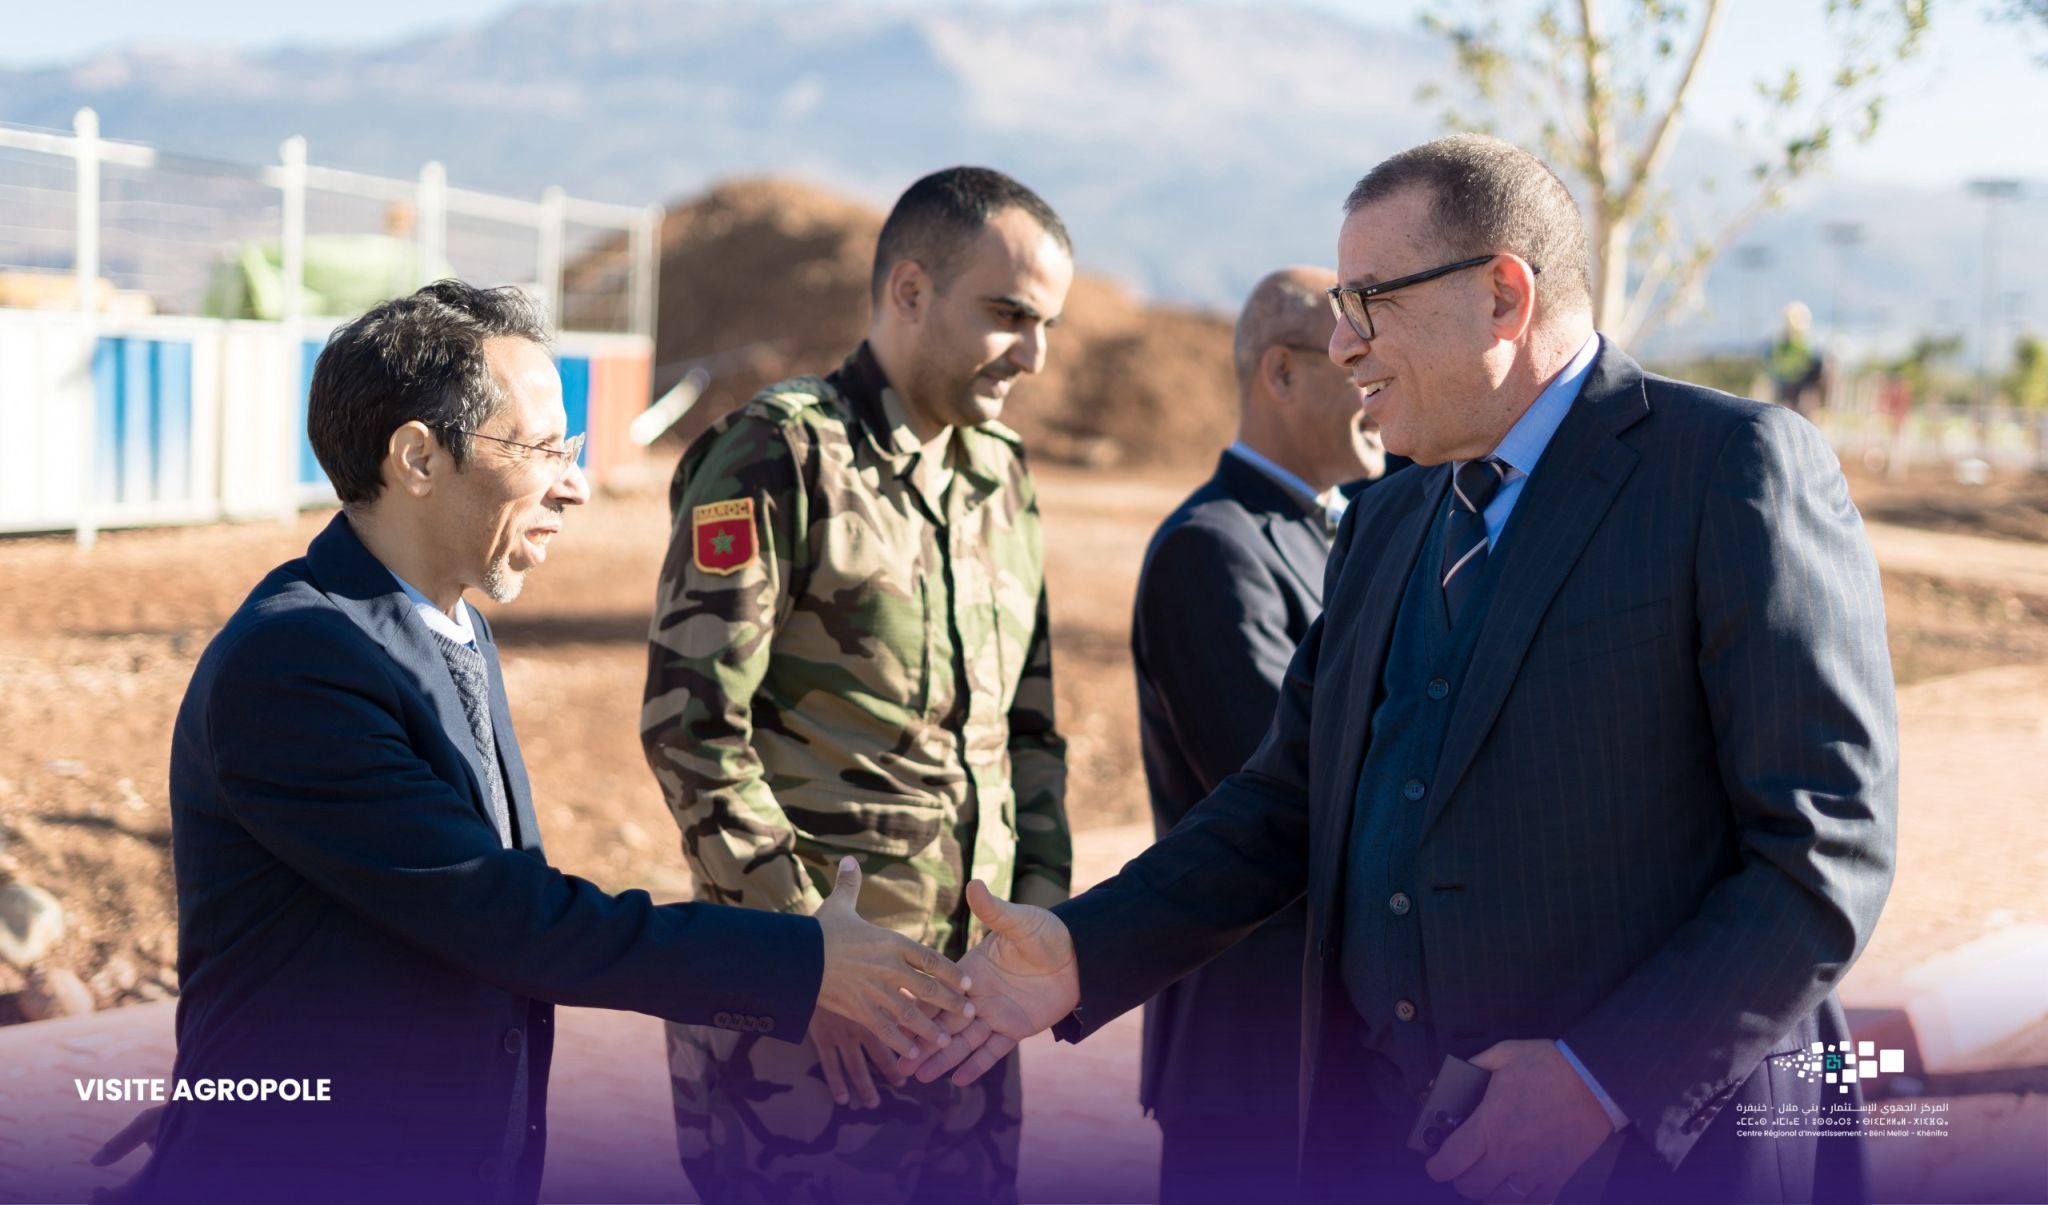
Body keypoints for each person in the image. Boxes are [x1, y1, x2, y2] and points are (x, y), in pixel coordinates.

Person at [907, 135, 1899, 1205]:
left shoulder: (1729, 470)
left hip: (1644, 1164)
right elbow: (1283, 800)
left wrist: (1597, 1079)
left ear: (1502, 295)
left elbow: (1822, 845)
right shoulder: (1387, 516)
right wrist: (1080, 949)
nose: (1341, 344)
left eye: (1369, 301)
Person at [119, 281, 967, 1205]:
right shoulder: (296, 661)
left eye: (573, 448)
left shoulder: (446, 626)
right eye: (538, 448)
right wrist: (801, 963)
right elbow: (508, 917)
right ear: (416, 457)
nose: (574, 482)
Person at [640, 167, 1074, 1205]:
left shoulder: (999, 471)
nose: (1033, 354)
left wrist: (1043, 924)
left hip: (966, 1013)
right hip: (810, 1025)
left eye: (1046, 323)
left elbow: (1029, 725)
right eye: (1007, 313)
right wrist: (803, 957)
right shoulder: (779, 452)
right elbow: (691, 725)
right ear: (910, 290)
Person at [1130, 265, 1386, 1203]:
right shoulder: (1214, 548)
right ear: (1279, 374)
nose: (1377, 379)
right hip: (1256, 1053)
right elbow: (1286, 794)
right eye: (1352, 360)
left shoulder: (1349, 528)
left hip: (1335, 1053)